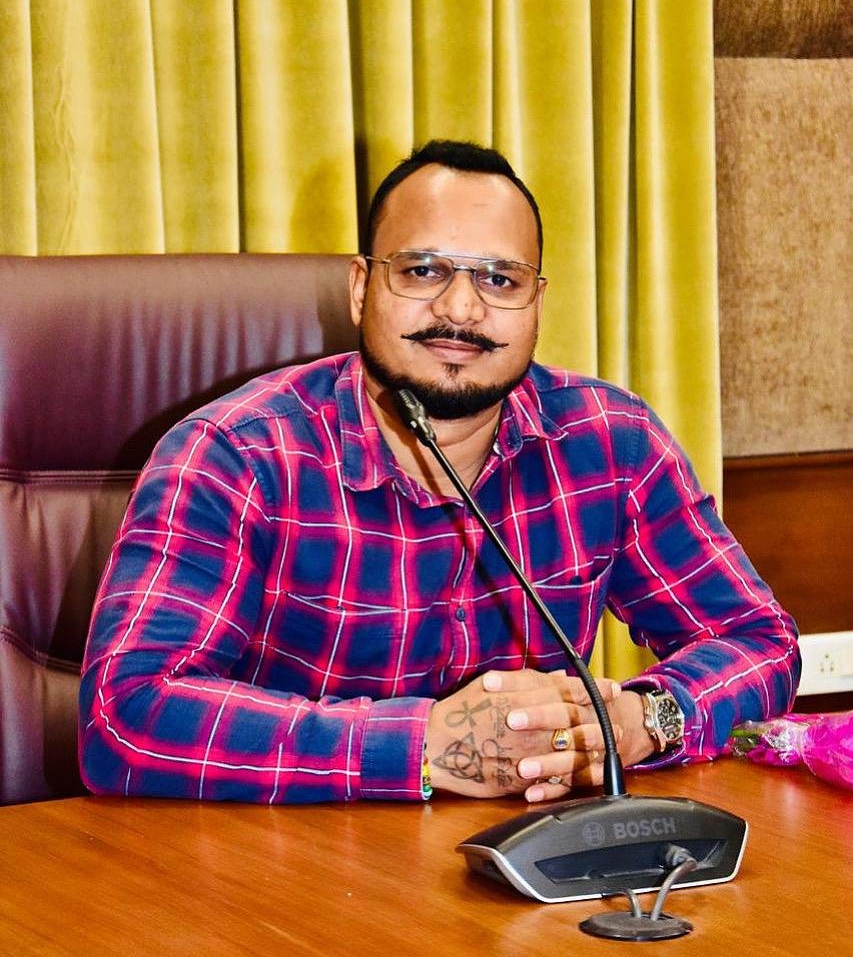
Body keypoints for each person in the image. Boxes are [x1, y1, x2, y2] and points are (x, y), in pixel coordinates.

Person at [79, 139, 800, 805]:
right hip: (279, 864)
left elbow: (758, 642)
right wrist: (424, 746)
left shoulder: (612, 443)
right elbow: (125, 714)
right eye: (423, 271)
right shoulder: (235, 456)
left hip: (524, 862)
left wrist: (643, 720)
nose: (461, 308)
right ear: (361, 288)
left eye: (500, 279)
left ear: (536, 303)